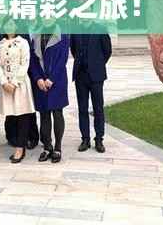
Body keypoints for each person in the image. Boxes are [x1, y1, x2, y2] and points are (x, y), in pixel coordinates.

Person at [30, 17, 70, 164]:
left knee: (57, 113)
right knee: (44, 115)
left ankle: (58, 147)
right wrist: (38, 79)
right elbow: (33, 60)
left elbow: (62, 60)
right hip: (41, 82)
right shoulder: (36, 36)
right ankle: (47, 146)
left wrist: (51, 79)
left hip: (57, 81)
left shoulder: (62, 35)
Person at [0, 17, 35, 164]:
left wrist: (14, 82)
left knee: (22, 114)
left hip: (20, 83)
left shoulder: (23, 42)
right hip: (6, 85)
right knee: (11, 115)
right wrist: (3, 81)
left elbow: (25, 64)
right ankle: (15, 140)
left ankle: (20, 148)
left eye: (12, 24)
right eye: (7, 24)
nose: (9, 26)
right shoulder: (1, 43)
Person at [70, 20, 112, 153]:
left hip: (96, 76)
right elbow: (73, 50)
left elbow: (107, 51)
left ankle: (99, 139)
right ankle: (85, 139)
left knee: (98, 108)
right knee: (82, 109)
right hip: (80, 75)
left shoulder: (101, 28)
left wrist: (97, 63)